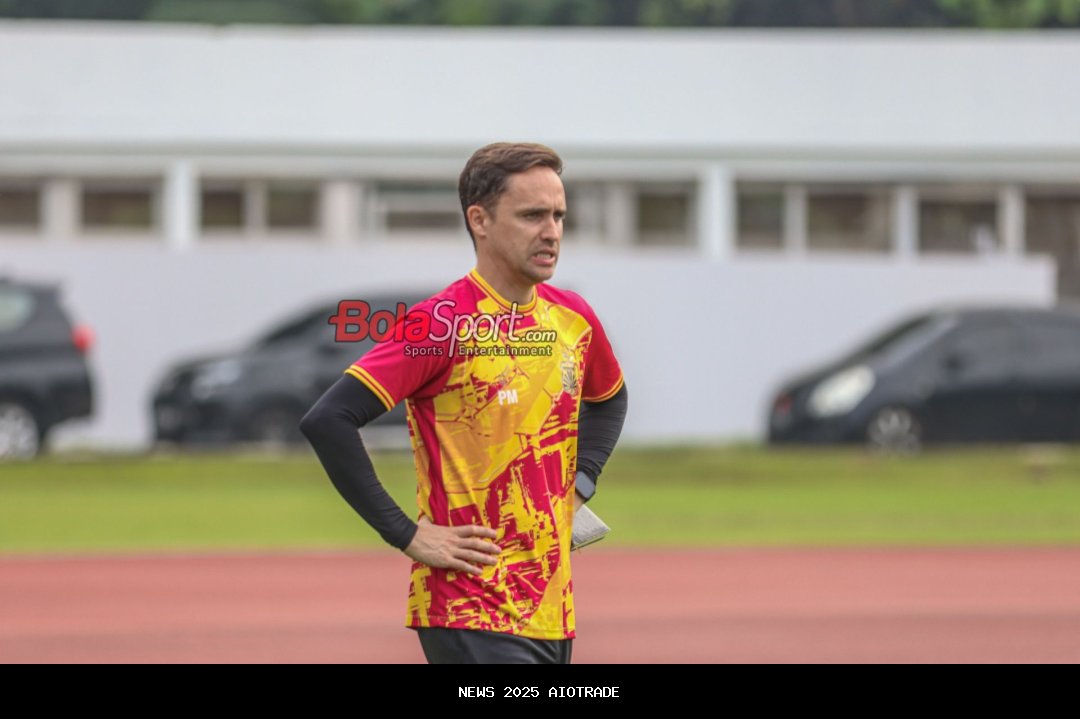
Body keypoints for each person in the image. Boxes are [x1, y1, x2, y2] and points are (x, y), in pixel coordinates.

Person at [298, 142, 628, 664]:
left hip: (551, 606)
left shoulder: (573, 317)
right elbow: (329, 419)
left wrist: (581, 483)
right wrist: (406, 534)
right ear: (480, 220)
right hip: (469, 608)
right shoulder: (439, 324)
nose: (552, 232)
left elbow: (610, 401)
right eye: (532, 215)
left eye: (559, 216)